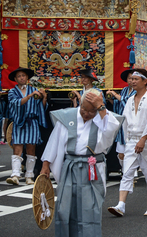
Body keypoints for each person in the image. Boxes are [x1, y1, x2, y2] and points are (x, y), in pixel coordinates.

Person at [41, 89, 122, 236]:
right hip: (70, 166)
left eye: (91, 111)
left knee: (90, 208)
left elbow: (111, 130)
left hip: (92, 168)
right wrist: (45, 165)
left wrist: (101, 107)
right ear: (80, 103)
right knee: (64, 208)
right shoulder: (67, 116)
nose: (86, 114)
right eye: (83, 109)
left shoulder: (104, 118)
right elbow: (54, 141)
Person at [108, 69, 147, 217]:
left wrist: (143, 139)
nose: (132, 81)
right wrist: (128, 140)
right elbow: (125, 120)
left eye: (136, 79)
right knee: (126, 172)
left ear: (145, 81)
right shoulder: (130, 99)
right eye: (131, 79)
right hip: (132, 139)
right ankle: (121, 205)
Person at [6, 67, 48, 185]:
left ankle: (29, 175)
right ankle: (15, 174)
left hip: (32, 121)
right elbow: (15, 103)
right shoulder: (12, 92)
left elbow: (41, 107)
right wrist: (29, 96)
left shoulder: (34, 89)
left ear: (27, 78)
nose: (21, 78)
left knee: (31, 149)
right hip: (19, 121)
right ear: (15, 79)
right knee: (17, 148)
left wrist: (43, 97)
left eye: (23, 75)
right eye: (19, 76)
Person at [106, 69, 136, 173]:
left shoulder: (138, 92)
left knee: (131, 152)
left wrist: (115, 94)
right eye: (129, 78)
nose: (132, 81)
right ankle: (125, 171)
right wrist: (110, 98)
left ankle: (131, 174)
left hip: (132, 123)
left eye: (134, 78)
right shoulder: (124, 90)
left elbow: (127, 102)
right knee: (121, 153)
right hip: (122, 124)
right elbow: (118, 104)